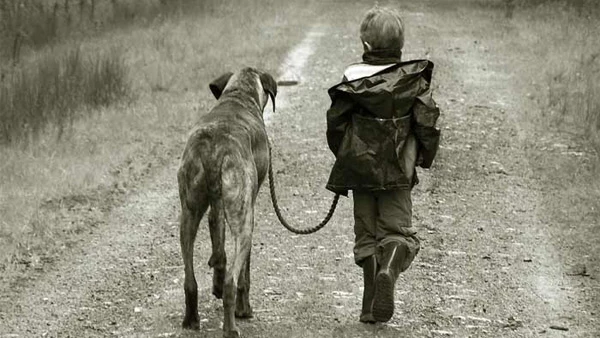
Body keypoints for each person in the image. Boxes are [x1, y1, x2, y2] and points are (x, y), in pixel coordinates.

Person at [325, 5, 441, 323]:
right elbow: (427, 122)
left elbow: (335, 124)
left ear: (365, 46)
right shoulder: (413, 80)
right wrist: (424, 156)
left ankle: (367, 305)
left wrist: (346, 156)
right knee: (396, 231)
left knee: (366, 234)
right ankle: (389, 268)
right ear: (400, 47)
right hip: (399, 171)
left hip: (361, 170)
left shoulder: (351, 79)